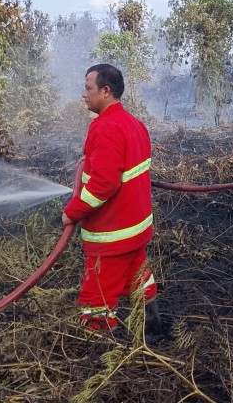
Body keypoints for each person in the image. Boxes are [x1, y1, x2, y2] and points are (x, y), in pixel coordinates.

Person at [62, 63, 160, 332]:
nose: (84, 94)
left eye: (88, 88)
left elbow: (104, 183)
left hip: (112, 234)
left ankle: (100, 354)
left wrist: (72, 212)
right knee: (137, 278)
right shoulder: (134, 124)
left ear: (105, 91)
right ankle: (153, 327)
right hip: (134, 230)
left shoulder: (105, 128)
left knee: (96, 301)